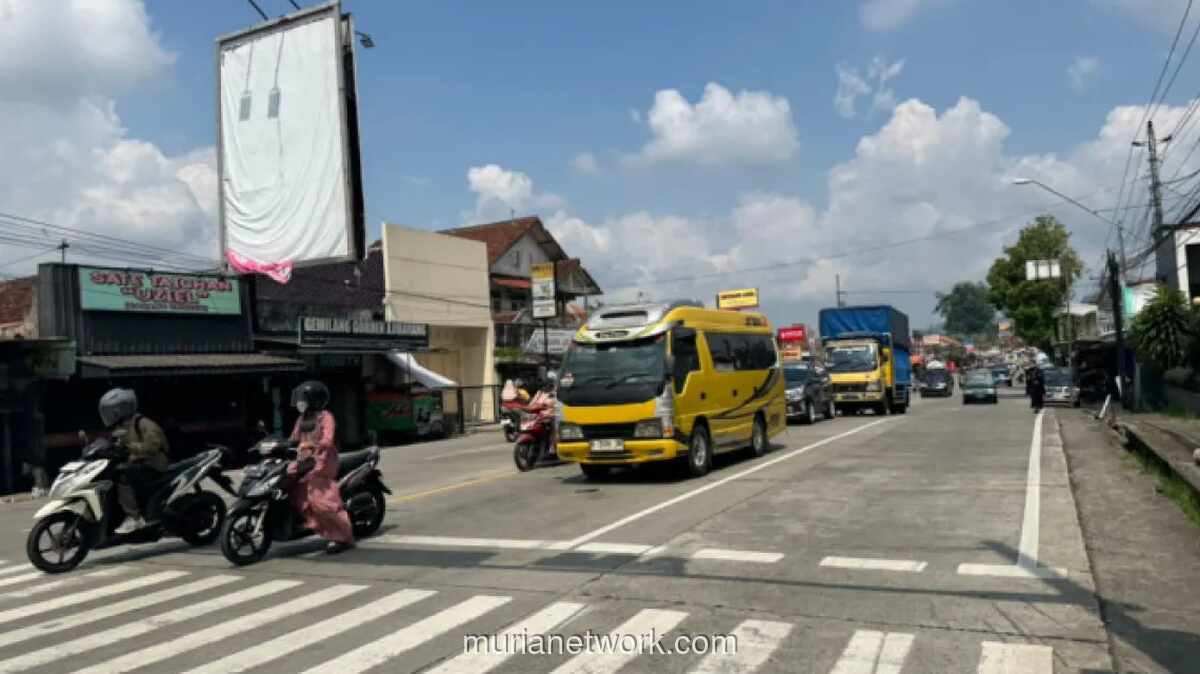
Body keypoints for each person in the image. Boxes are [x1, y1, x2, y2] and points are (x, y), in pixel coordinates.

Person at [288, 381, 354, 554]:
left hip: (323, 460)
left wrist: (313, 444)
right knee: (292, 488)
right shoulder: (302, 418)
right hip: (304, 459)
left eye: (304, 399)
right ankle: (309, 524)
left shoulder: (326, 417)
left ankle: (341, 537)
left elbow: (327, 439)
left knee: (322, 502)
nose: (300, 403)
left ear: (314, 400)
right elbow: (293, 438)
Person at [99, 388, 170, 535]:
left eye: (112, 410)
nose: (109, 414)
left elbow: (152, 447)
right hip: (139, 463)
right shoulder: (122, 426)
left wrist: (129, 447)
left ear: (121, 409)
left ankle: (134, 517)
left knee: (123, 475)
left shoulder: (144, 423)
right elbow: (115, 443)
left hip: (154, 464)